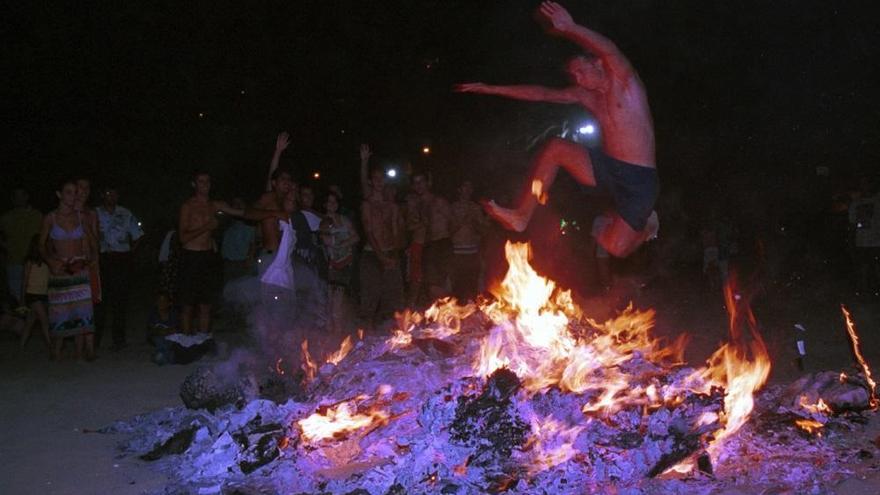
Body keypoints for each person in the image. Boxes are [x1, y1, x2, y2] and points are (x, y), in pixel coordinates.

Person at [456, 1, 659, 258]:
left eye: (581, 72)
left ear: (597, 64)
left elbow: (609, 49)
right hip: (606, 167)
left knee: (614, 248)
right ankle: (521, 216)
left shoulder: (626, 83)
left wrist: (570, 28)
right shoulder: (587, 96)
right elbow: (541, 93)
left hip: (638, 179)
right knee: (556, 148)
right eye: (574, 76)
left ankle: (648, 225)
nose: (578, 80)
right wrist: (491, 88)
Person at [177, 170, 283, 334]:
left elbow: (242, 212)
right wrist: (206, 227)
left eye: (207, 181)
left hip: (207, 257)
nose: (205, 185)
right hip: (191, 256)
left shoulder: (215, 205)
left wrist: (271, 212)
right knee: (188, 304)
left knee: (206, 304)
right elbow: (183, 237)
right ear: (194, 184)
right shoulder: (188, 206)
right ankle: (185, 341)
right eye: (201, 181)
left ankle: (203, 339)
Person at [39, 178, 98, 361]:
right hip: (60, 268)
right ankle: (56, 351)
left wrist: (92, 261)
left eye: (75, 192)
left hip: (79, 268)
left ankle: (86, 352)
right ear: (59, 194)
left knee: (83, 311)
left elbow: (93, 241)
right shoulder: (51, 218)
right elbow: (41, 245)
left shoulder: (81, 217)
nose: (74, 196)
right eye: (69, 192)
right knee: (59, 311)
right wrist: (50, 261)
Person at [95, 186, 145, 350]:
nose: (111, 196)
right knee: (100, 300)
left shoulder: (126, 213)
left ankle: (119, 340)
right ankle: (95, 339)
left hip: (121, 258)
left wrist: (130, 252)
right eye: (108, 193)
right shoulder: (95, 213)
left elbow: (138, 235)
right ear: (102, 195)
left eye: (114, 193)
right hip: (102, 258)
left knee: (120, 300)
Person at [359, 161, 405, 329]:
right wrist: (381, 257)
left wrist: (394, 256)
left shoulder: (391, 206)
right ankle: (365, 338)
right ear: (371, 181)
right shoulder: (367, 204)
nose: (379, 182)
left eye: (381, 179)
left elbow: (395, 232)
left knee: (394, 297)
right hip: (372, 254)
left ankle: (393, 338)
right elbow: (368, 231)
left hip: (390, 253)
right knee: (370, 297)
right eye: (375, 179)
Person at [320, 192, 359, 333]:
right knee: (332, 302)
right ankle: (333, 333)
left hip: (346, 263)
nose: (332, 204)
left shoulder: (344, 219)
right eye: (329, 202)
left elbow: (356, 237)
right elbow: (326, 240)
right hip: (332, 266)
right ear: (325, 204)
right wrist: (342, 242)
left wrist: (341, 243)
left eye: (335, 201)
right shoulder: (324, 221)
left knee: (339, 302)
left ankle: (339, 331)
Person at [412, 172, 453, 299]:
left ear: (427, 183)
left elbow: (453, 220)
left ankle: (448, 309)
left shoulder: (438, 201)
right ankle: (439, 311)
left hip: (442, 243)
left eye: (421, 182)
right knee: (430, 281)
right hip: (429, 245)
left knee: (443, 280)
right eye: (415, 183)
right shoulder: (420, 204)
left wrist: (449, 243)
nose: (418, 185)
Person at [0, 188, 43, 304]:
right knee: (17, 298)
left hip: (34, 263)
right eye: (16, 196)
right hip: (14, 263)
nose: (19, 199)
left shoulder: (37, 215)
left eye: (21, 196)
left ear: (27, 196)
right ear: (12, 199)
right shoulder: (6, 218)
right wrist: (6, 247)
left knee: (35, 298)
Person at [450, 180, 488, 301]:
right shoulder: (453, 207)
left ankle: (472, 310)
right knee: (458, 285)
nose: (468, 190)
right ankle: (457, 311)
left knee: (473, 284)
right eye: (465, 187)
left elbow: (483, 230)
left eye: (469, 187)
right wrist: (462, 220)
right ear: (459, 190)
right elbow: (449, 230)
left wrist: (477, 222)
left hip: (473, 251)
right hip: (457, 251)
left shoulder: (475, 208)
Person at [18, 235, 50, 351]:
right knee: (44, 320)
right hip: (33, 294)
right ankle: (51, 347)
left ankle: (21, 346)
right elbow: (24, 280)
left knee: (30, 322)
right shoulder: (29, 261)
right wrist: (22, 299)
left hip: (43, 293)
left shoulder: (47, 260)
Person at [221, 197, 256, 282]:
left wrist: (250, 257)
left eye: (240, 203)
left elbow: (254, 242)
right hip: (228, 263)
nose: (238, 206)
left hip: (242, 263)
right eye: (235, 204)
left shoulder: (249, 224)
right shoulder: (229, 223)